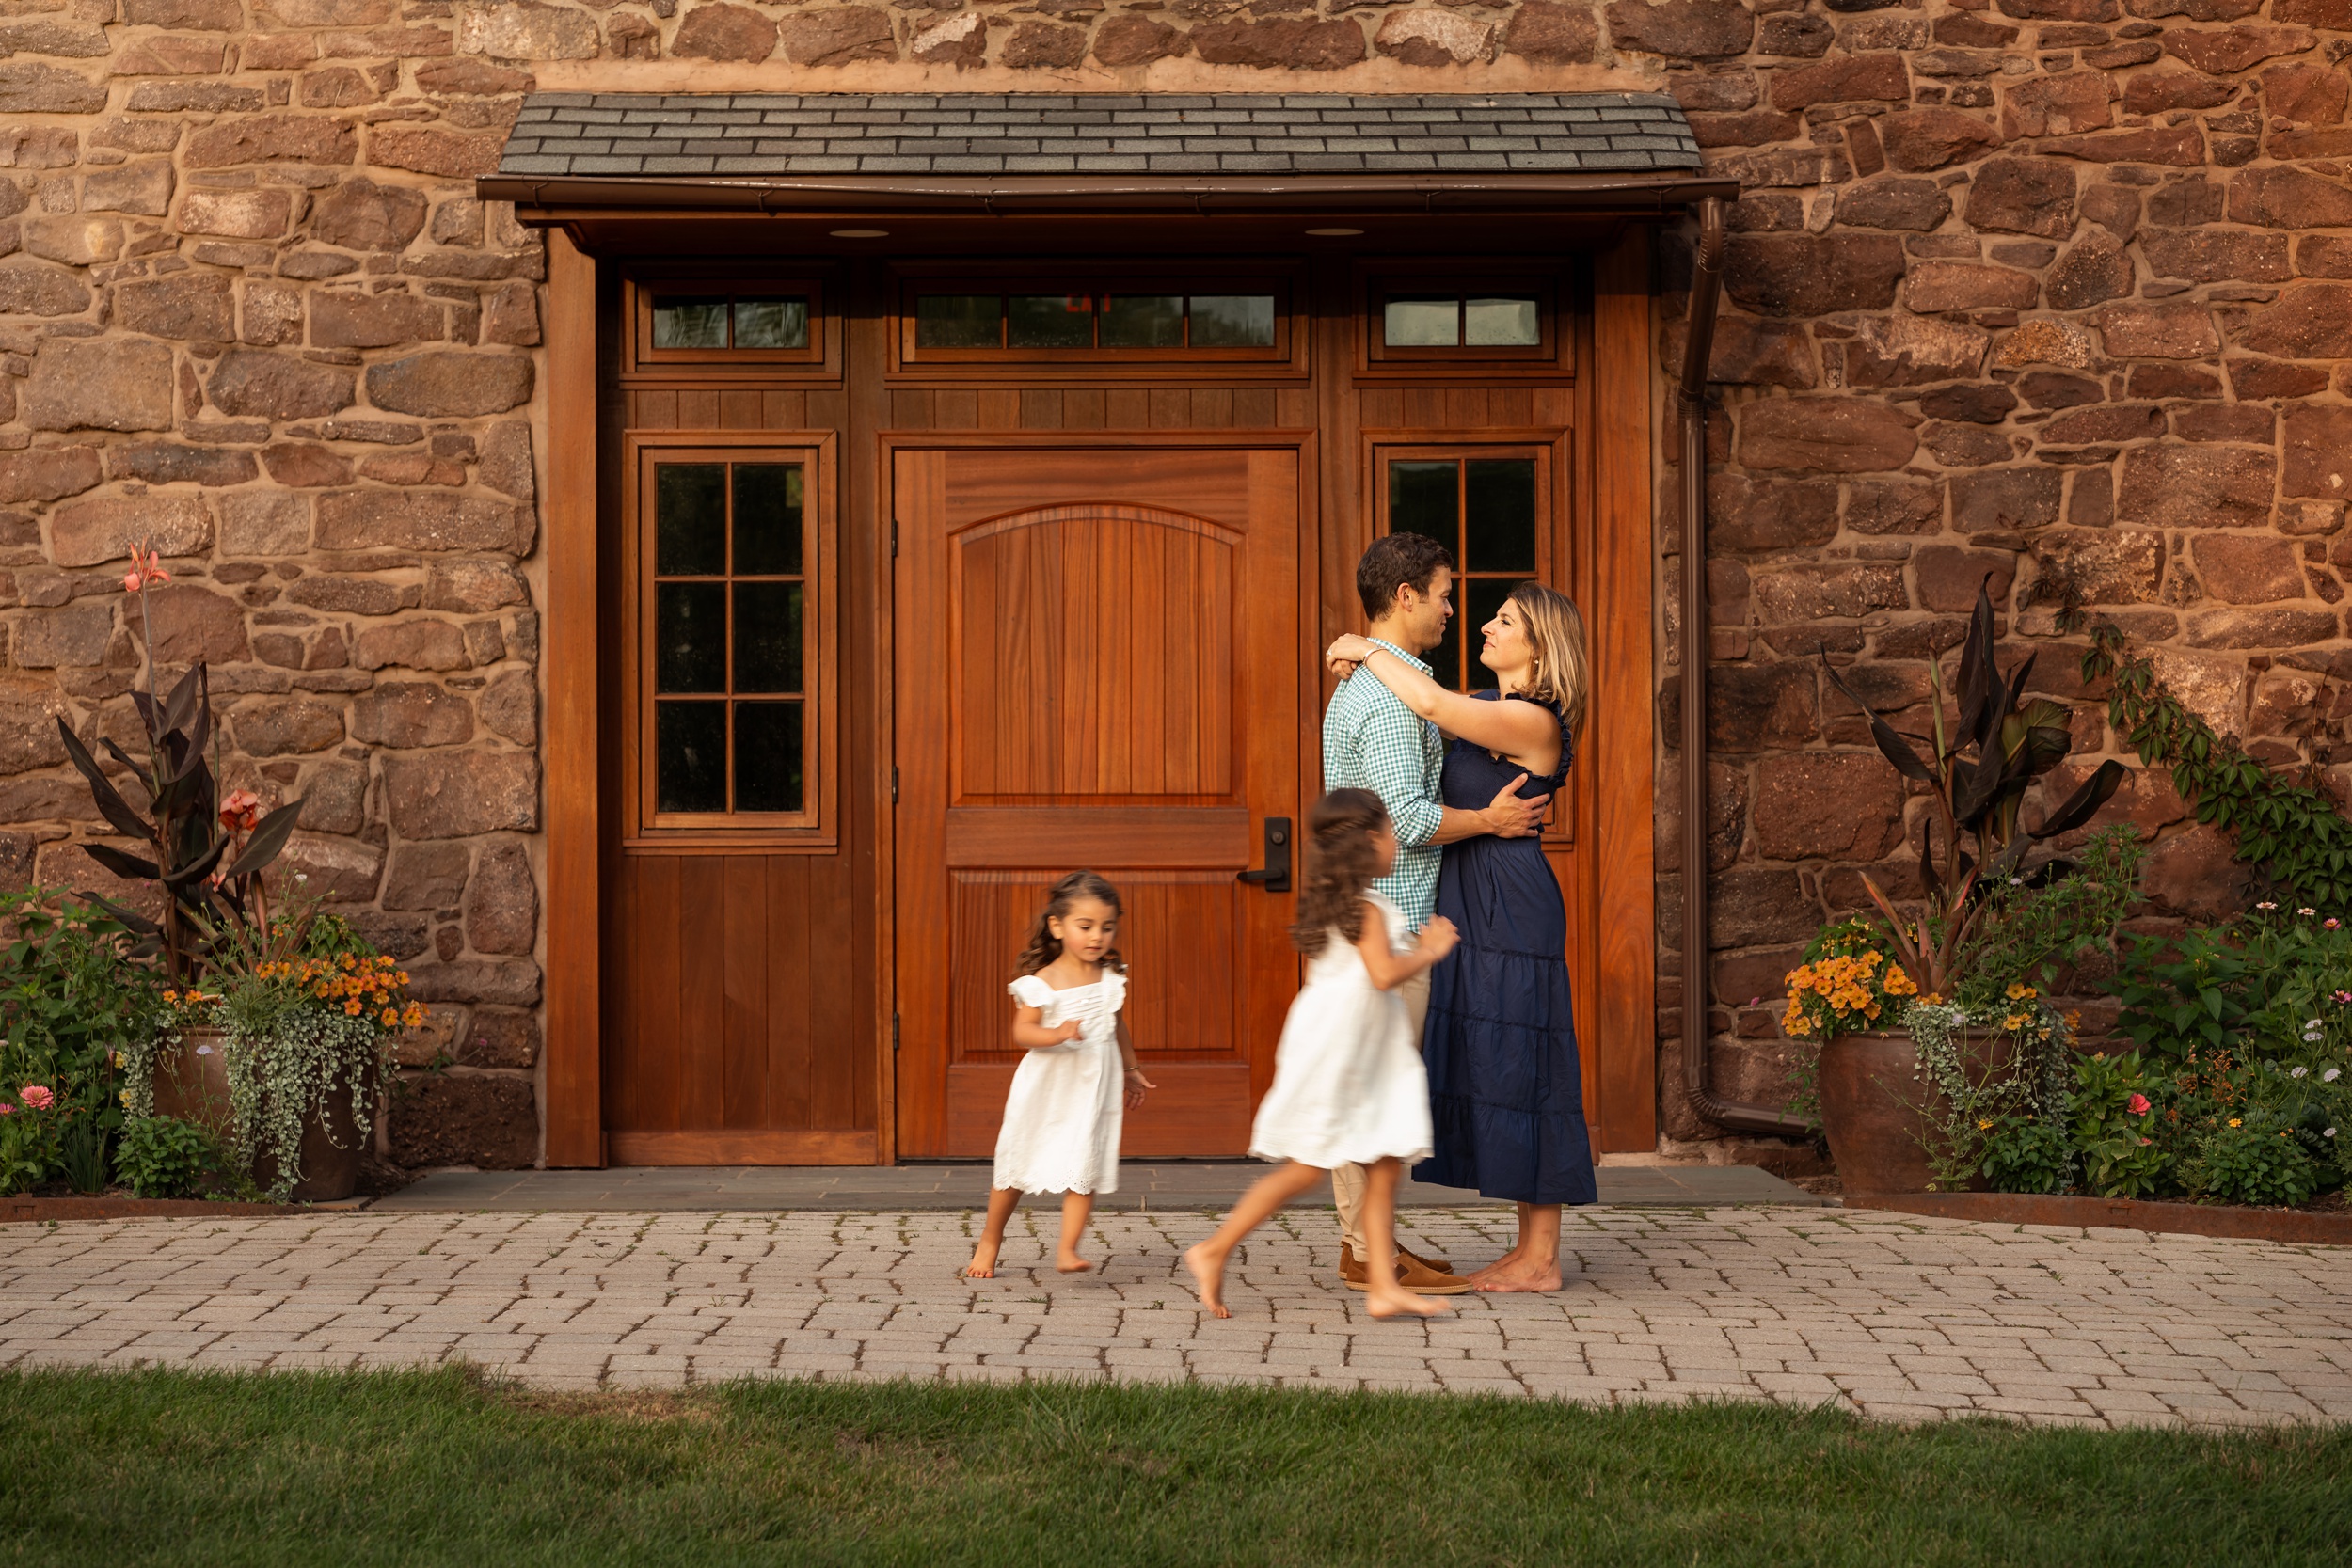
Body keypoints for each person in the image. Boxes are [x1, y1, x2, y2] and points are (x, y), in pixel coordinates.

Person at [1326, 581, 1598, 1292]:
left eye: (1504, 621)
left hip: (1510, 901)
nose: (1483, 623)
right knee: (1499, 1063)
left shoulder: (1534, 720)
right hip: (1469, 896)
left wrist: (1366, 646)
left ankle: (1541, 1257)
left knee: (1526, 1063)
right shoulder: (1488, 706)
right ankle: (1524, 1249)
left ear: (1540, 649)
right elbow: (1426, 706)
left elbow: (1430, 703)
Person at [1184, 790, 1461, 1321]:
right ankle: (1213, 1248)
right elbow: (1381, 975)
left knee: (1381, 1164)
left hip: (1337, 1043)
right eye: (1388, 831)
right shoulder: (1369, 909)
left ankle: (1383, 1284)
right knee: (1308, 1166)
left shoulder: (1327, 903)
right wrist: (1431, 949)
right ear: (1369, 844)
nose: (1396, 839)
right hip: (1350, 1052)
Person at [965, 871, 1155, 1279]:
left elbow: (1116, 1025)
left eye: (1106, 927)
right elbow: (1022, 1032)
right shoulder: (1043, 982)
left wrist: (1132, 1068)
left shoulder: (1110, 977)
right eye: (1085, 927)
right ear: (1057, 926)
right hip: (1048, 1089)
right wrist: (1057, 1034)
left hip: (1093, 1089)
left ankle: (1067, 1249)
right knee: (1018, 1165)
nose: (1096, 937)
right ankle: (990, 1238)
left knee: (1083, 1164)